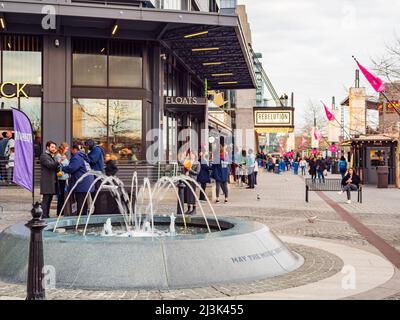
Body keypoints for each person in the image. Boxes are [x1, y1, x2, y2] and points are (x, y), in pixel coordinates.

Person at [62, 145, 95, 216]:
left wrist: (63, 168)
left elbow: (72, 168)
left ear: (74, 150)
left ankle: (80, 219)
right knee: (84, 202)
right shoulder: (83, 156)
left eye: (71, 150)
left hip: (81, 183)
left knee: (80, 201)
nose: (71, 151)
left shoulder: (77, 157)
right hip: (87, 183)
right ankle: (84, 217)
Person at [40, 141, 61, 219]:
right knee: (46, 200)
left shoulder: (52, 156)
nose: (54, 149)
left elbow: (55, 168)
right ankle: (44, 216)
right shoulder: (44, 156)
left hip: (52, 182)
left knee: (49, 200)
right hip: (47, 182)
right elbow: (49, 165)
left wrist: (58, 166)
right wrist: (57, 162)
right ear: (47, 147)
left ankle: (47, 215)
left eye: (54, 147)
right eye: (52, 147)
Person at [182, 151, 200, 215]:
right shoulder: (187, 162)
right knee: (187, 194)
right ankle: (189, 208)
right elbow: (183, 170)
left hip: (193, 180)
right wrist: (185, 172)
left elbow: (197, 173)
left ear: (195, 155)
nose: (191, 155)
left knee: (192, 194)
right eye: (190, 154)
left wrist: (190, 170)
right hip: (187, 179)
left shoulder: (197, 163)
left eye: (192, 154)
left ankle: (194, 209)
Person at [55, 143, 70, 216]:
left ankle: (63, 212)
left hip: (65, 177)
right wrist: (62, 159)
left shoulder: (64, 155)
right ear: (63, 148)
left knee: (64, 195)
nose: (67, 149)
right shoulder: (59, 155)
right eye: (66, 148)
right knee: (61, 196)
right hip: (61, 178)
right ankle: (59, 212)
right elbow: (58, 165)